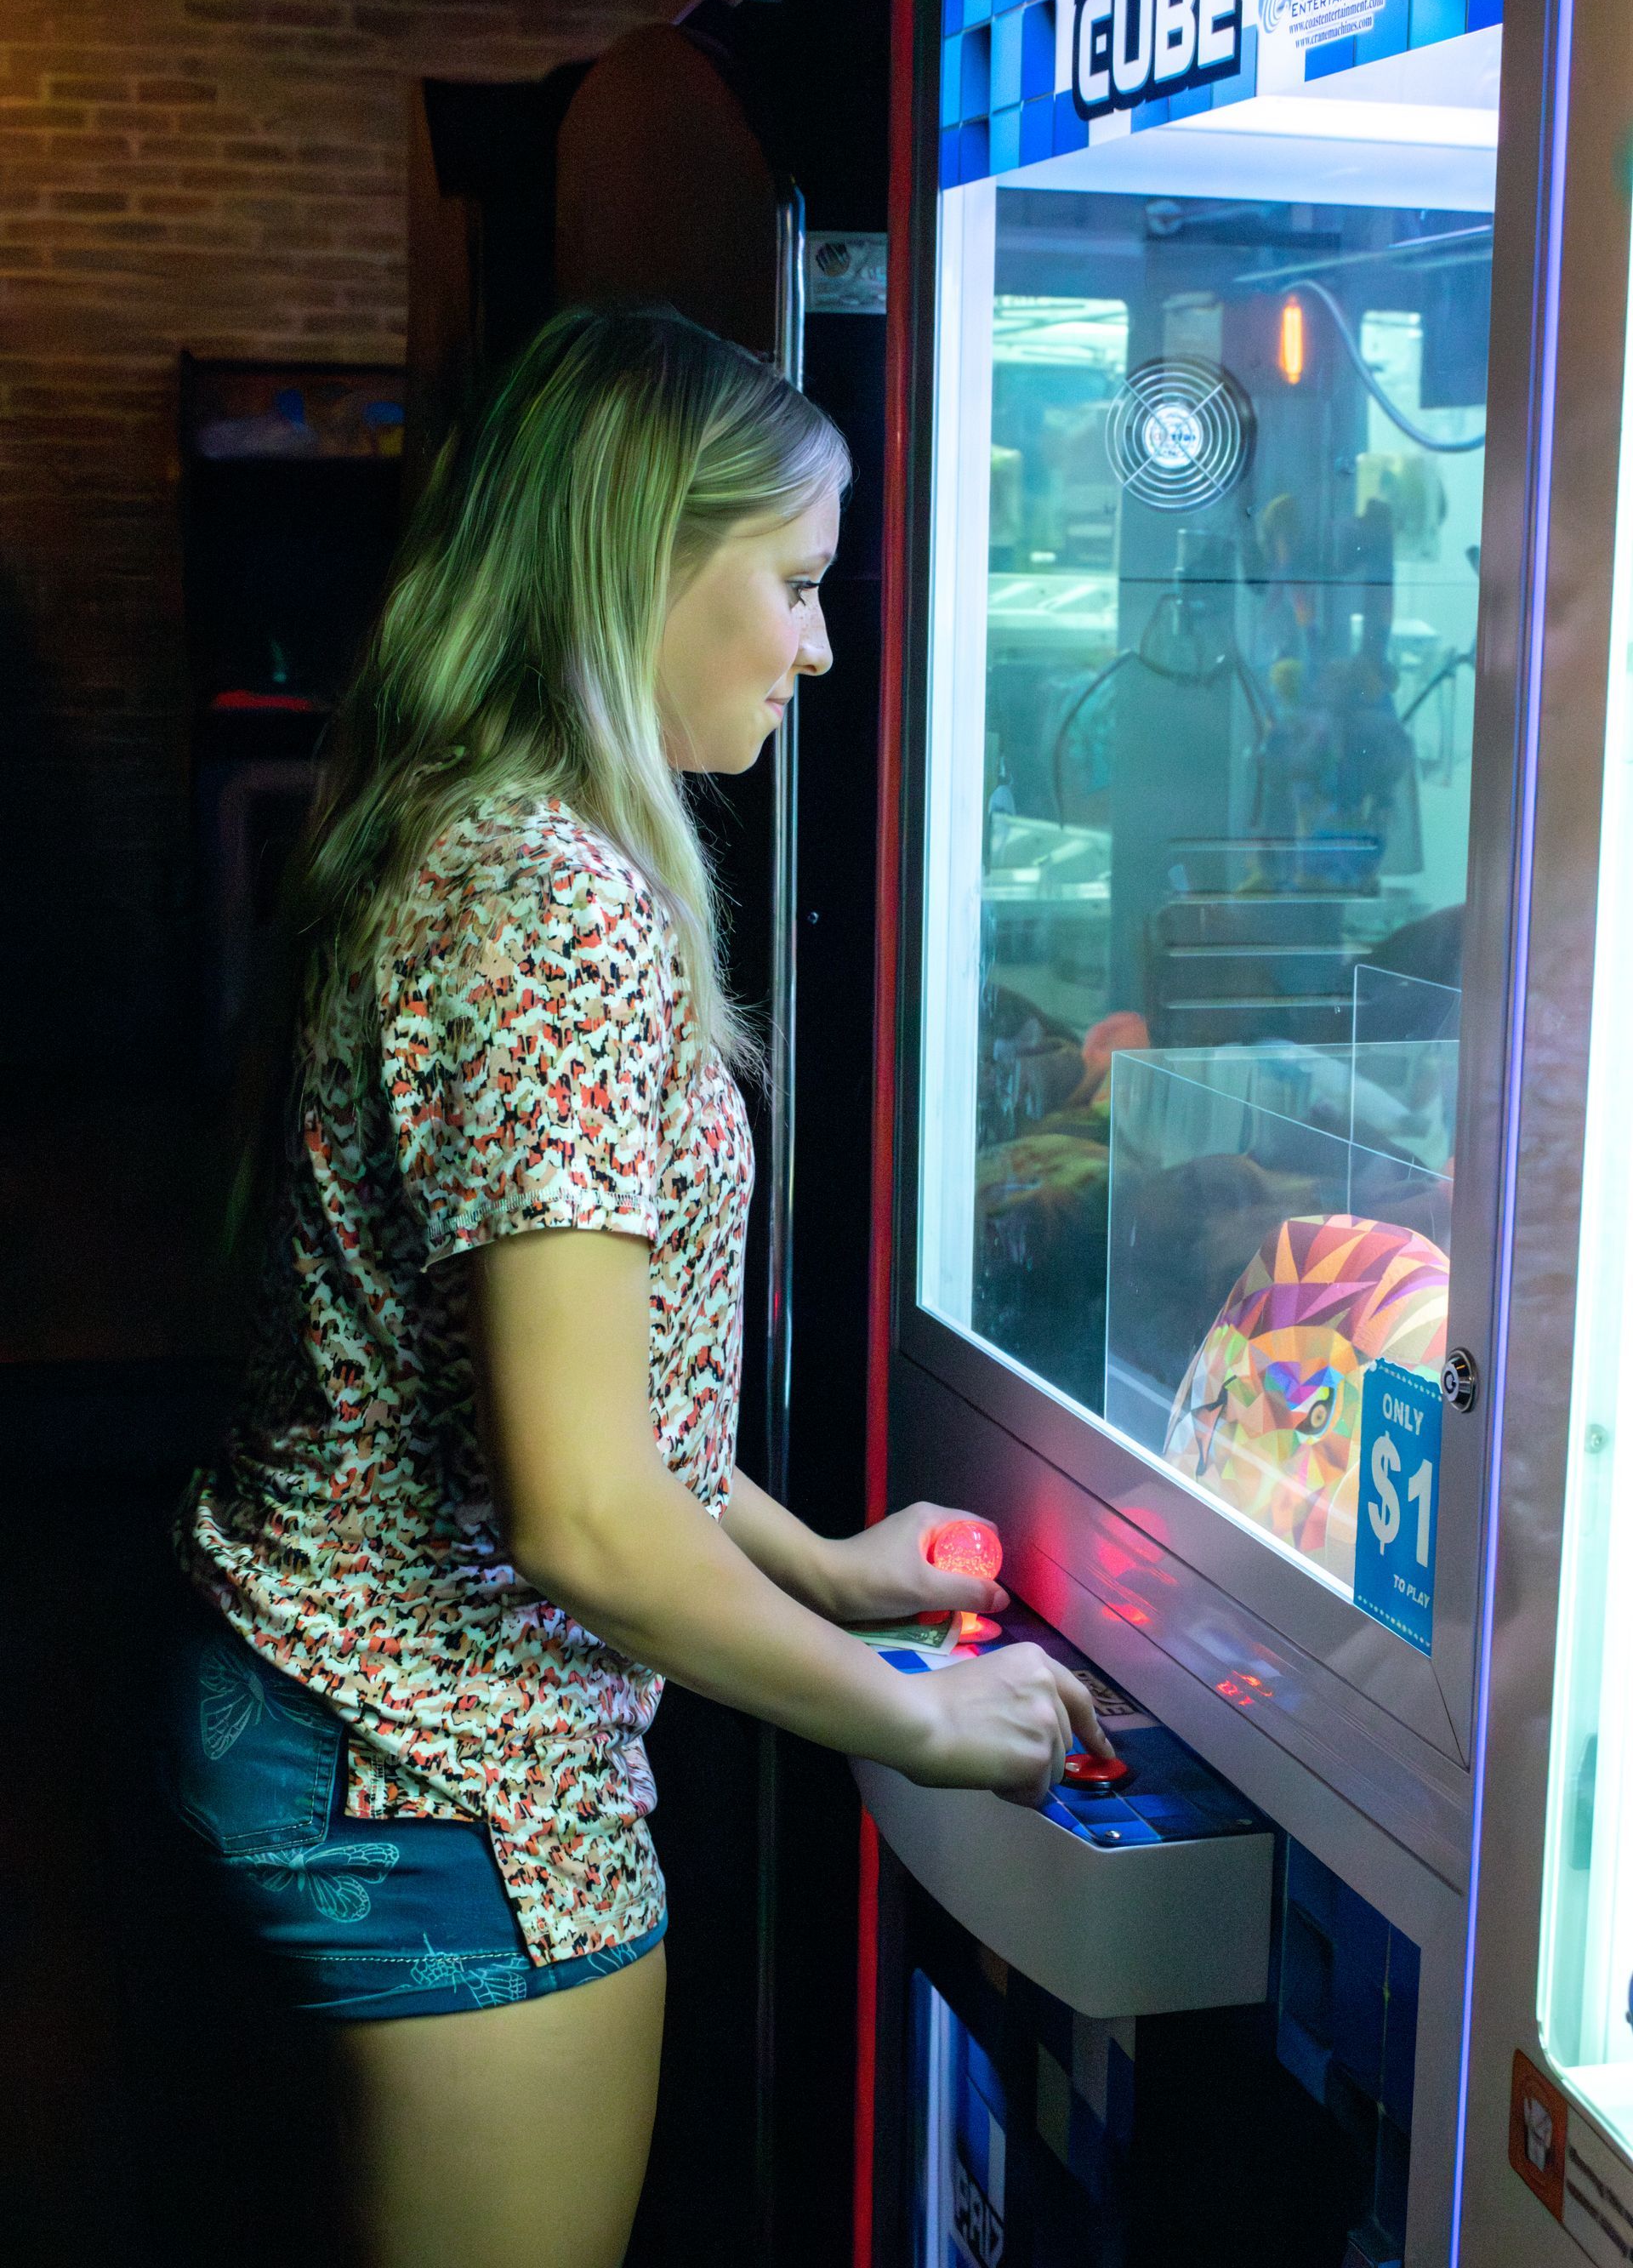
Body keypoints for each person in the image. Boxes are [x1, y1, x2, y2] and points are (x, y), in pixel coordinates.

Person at [167, 306, 1107, 2268]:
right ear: (639, 561)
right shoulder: (556, 905)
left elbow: (587, 1397)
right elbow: (583, 1509)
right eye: (793, 586)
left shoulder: (469, 826)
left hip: (336, 1719)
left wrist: (835, 1569)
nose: (821, 649)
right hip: (443, 1771)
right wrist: (909, 1718)